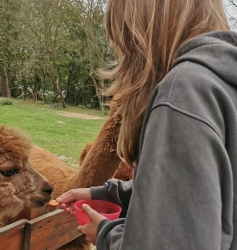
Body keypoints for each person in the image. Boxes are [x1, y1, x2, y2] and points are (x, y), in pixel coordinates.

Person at [56, 0, 237, 249]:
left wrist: (106, 234)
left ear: (140, 35)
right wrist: (105, 194)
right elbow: (199, 196)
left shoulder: (183, 93)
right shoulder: (223, 82)